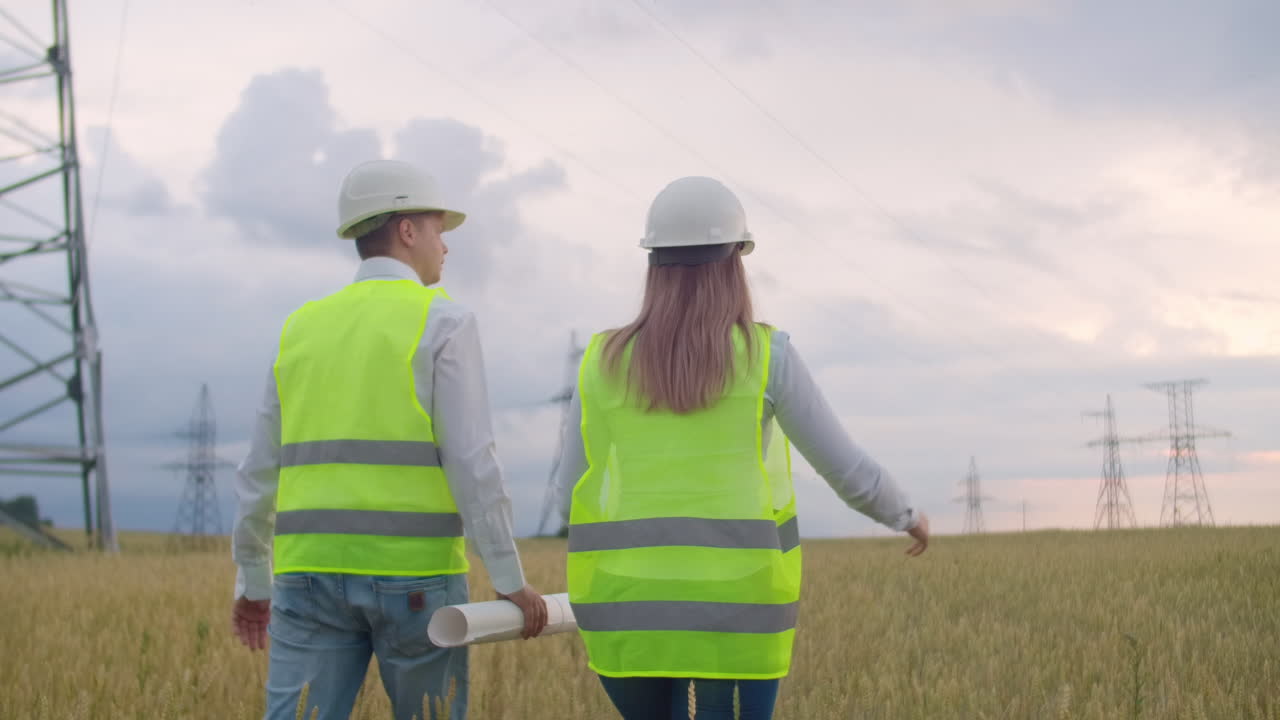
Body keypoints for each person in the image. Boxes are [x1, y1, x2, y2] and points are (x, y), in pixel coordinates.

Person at [554, 176, 930, 720]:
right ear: (735, 262)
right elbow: (846, 469)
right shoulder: (767, 356)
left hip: (625, 606)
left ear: (653, 264)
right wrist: (908, 515)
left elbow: (569, 497)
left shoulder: (599, 361)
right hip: (735, 609)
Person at [230, 159, 548, 720]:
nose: (445, 245)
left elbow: (258, 467)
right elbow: (474, 464)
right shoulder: (444, 322)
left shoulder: (301, 325)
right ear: (406, 231)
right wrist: (508, 579)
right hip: (416, 581)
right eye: (438, 228)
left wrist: (255, 580)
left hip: (305, 575)